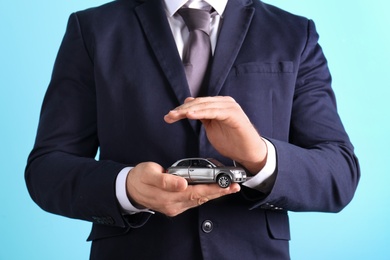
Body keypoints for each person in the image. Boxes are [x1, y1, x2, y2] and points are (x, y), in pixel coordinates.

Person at [25, 0, 360, 259]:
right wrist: (126, 188)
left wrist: (259, 156)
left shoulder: (292, 34)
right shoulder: (94, 29)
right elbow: (46, 169)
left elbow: (339, 173)